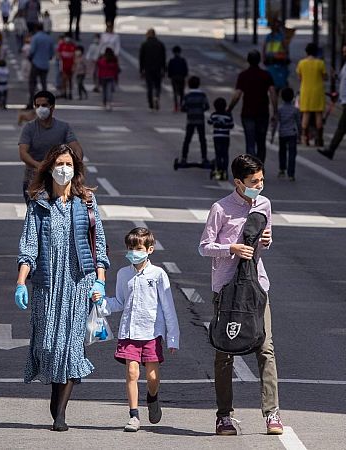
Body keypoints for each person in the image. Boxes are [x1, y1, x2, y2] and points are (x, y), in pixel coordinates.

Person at [16, 144, 109, 432]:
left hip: (78, 285)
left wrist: (100, 281)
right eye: (59, 164)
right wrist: (21, 281)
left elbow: (100, 247)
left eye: (69, 164)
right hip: (46, 285)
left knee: (69, 348)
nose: (64, 169)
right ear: (49, 168)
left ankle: (61, 414)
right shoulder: (39, 204)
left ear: (76, 170)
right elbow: (29, 246)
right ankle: (56, 398)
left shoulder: (87, 203)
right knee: (49, 346)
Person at [198, 154, 283, 437]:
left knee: (265, 348)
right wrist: (231, 249)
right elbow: (204, 246)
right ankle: (224, 416)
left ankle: (272, 413)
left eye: (261, 179)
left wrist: (267, 241)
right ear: (238, 182)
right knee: (224, 352)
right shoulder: (220, 208)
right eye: (253, 181)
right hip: (226, 288)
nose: (259, 185)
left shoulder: (264, 204)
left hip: (256, 286)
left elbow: (264, 240)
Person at [96, 227, 179, 433]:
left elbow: (168, 307)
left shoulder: (158, 274)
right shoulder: (124, 274)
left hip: (151, 333)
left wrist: (173, 338)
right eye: (131, 248)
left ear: (150, 249)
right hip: (129, 332)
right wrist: (101, 302)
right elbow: (120, 302)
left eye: (139, 248)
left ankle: (152, 398)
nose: (134, 252)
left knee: (152, 378)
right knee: (132, 372)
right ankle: (133, 415)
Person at [18, 90, 83, 202]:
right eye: (37, 106)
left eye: (44, 105)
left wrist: (75, 165)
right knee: (36, 214)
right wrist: (39, 165)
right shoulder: (29, 128)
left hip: (58, 179)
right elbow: (23, 153)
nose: (40, 108)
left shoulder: (63, 127)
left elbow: (76, 148)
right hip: (34, 179)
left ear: (52, 107)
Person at [228, 50, 277, 163]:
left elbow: (237, 94)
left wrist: (229, 109)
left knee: (250, 143)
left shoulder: (243, 75)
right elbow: (273, 93)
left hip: (248, 113)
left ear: (248, 60)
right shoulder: (266, 75)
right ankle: (260, 169)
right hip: (263, 112)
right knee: (261, 143)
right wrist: (275, 111)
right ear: (259, 60)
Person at [296, 42, 327, 146]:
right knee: (318, 114)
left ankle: (305, 138)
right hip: (318, 91)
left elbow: (300, 77)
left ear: (306, 52)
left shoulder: (301, 63)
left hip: (305, 91)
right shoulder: (320, 63)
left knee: (306, 114)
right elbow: (324, 77)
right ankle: (319, 139)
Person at [180, 76, 210, 165]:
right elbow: (207, 106)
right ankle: (204, 158)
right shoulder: (202, 95)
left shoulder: (187, 96)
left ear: (189, 84)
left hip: (190, 120)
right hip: (200, 119)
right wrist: (200, 110)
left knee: (187, 139)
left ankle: (184, 158)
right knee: (202, 139)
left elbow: (183, 108)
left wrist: (189, 110)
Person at [274, 88, 301, 181]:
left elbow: (276, 121)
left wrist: (273, 135)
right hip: (292, 133)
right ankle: (291, 173)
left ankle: (282, 168)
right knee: (292, 153)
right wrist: (300, 134)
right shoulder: (295, 110)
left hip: (282, 133)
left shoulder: (280, 109)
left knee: (282, 151)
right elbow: (298, 123)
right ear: (293, 97)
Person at [27, 25, 56, 108]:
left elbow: (32, 50)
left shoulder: (35, 38)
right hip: (45, 64)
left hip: (36, 63)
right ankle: (45, 103)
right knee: (43, 84)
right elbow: (52, 53)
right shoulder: (49, 38)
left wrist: (29, 57)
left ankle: (31, 102)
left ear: (36, 29)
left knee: (32, 82)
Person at [139, 28, 166, 111]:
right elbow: (163, 58)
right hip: (158, 68)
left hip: (148, 68)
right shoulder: (160, 44)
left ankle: (151, 104)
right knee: (158, 85)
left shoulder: (144, 44)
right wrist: (164, 69)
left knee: (149, 87)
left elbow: (141, 58)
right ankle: (156, 97)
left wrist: (141, 69)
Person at [207, 98, 234, 181]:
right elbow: (231, 125)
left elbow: (209, 121)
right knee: (225, 154)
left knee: (218, 154)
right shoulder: (228, 115)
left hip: (217, 137)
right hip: (225, 137)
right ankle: (225, 170)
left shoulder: (214, 115)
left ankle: (219, 172)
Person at [262, 20, 290, 93]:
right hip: (272, 61)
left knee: (279, 81)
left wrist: (286, 57)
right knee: (274, 82)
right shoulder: (269, 37)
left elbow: (286, 48)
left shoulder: (280, 37)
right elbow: (264, 48)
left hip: (279, 61)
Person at [167, 45, 188, 112]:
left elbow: (169, 70)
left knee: (175, 92)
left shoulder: (171, 60)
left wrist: (170, 76)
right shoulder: (183, 60)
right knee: (182, 92)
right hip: (181, 77)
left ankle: (176, 106)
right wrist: (184, 75)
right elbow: (186, 70)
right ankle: (181, 105)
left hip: (174, 77)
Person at [57, 33, 77, 100]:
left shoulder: (73, 46)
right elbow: (58, 54)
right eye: (66, 37)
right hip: (63, 66)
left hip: (71, 66)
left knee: (70, 80)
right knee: (64, 79)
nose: (67, 39)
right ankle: (64, 93)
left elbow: (75, 56)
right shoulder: (61, 45)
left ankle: (70, 93)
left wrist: (74, 66)